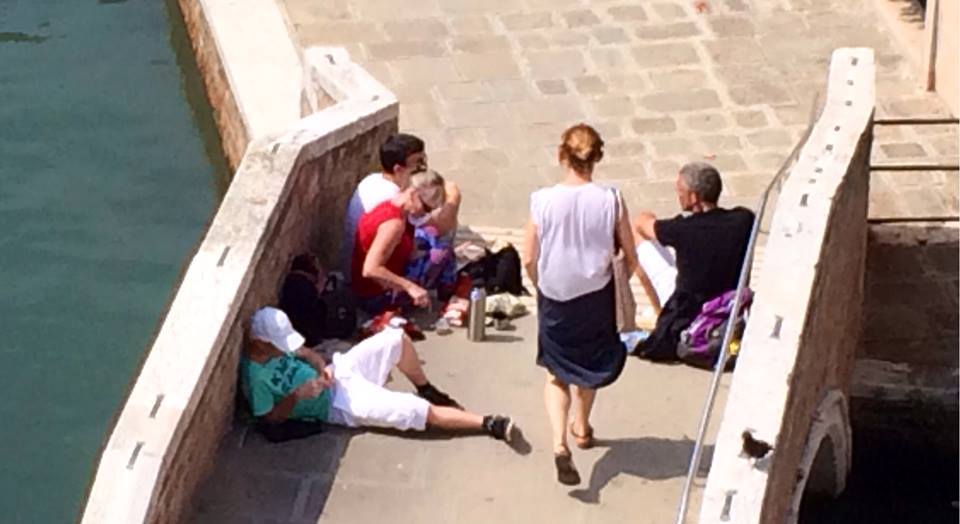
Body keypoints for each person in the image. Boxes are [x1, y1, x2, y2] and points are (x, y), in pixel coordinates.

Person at [521, 123, 650, 486]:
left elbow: (529, 256)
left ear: (561, 155)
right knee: (589, 365)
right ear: (597, 158)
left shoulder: (542, 200)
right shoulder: (611, 199)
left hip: (555, 296)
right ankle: (582, 426)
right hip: (595, 297)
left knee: (555, 372)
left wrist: (540, 284)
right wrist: (620, 284)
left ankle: (559, 442)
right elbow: (630, 253)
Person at [241, 307, 519, 442]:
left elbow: (308, 353)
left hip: (338, 372)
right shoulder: (256, 379)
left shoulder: (279, 349)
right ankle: (487, 423)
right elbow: (271, 418)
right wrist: (297, 396)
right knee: (413, 410)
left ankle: (426, 387)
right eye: (279, 345)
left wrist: (320, 368)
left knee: (396, 338)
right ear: (261, 343)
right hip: (339, 404)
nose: (285, 348)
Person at [632, 162, 755, 362]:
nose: (678, 195)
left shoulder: (683, 229)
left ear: (693, 197)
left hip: (690, 311)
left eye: (680, 191)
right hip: (726, 302)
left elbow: (642, 224)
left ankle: (658, 313)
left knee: (637, 234)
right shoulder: (744, 219)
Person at [339, 133, 462, 279]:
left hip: (359, 265)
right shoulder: (397, 203)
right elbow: (443, 226)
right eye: (418, 163)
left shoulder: (373, 180)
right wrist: (454, 196)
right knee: (441, 244)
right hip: (369, 276)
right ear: (398, 169)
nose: (423, 168)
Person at [351, 169, 447, 314]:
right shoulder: (394, 225)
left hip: (372, 285)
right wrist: (410, 287)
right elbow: (370, 269)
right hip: (376, 295)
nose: (425, 214)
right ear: (413, 194)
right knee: (443, 253)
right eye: (426, 208)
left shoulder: (391, 205)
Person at [278, 253, 327, 347]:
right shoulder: (302, 286)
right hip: (304, 334)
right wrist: (318, 290)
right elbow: (311, 311)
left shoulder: (295, 282)